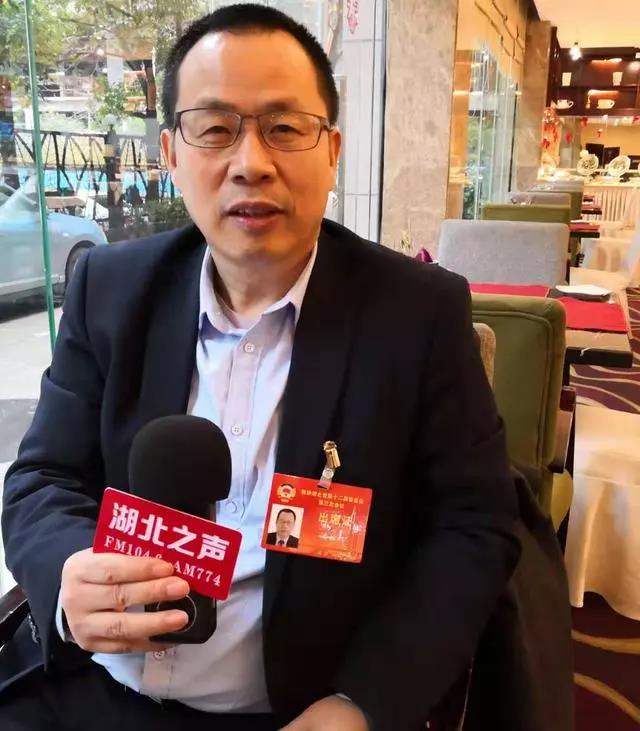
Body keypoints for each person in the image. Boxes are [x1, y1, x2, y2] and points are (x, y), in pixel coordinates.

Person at [0, 5, 522, 730]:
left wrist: (360, 703)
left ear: (332, 150)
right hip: (95, 691)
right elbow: (40, 479)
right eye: (215, 128)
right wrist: (66, 575)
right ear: (171, 153)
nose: (251, 163)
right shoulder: (110, 289)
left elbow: (475, 526)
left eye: (284, 127)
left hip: (299, 710)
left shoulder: (418, 316)